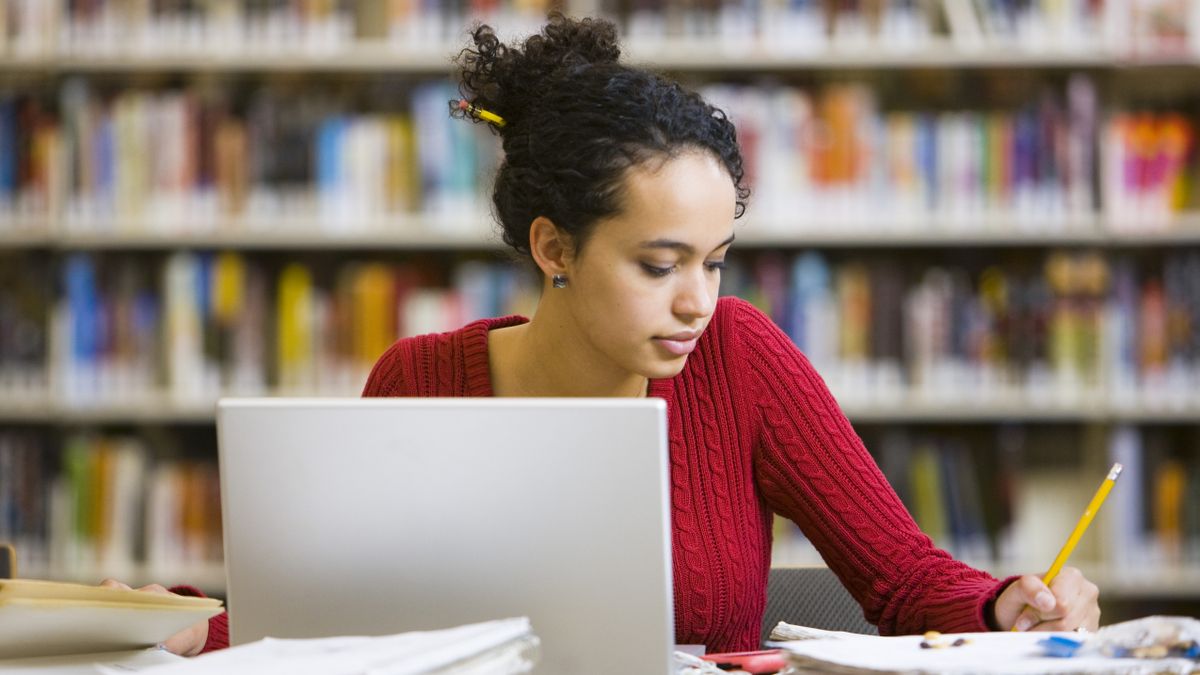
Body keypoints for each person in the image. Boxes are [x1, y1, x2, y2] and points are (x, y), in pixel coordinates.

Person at [121, 13, 1101, 656]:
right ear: (555, 248)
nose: (697, 302)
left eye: (715, 261)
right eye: (659, 264)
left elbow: (903, 577)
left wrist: (1005, 603)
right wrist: (161, 621)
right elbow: (334, 624)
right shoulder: (419, 378)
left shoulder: (741, 361)